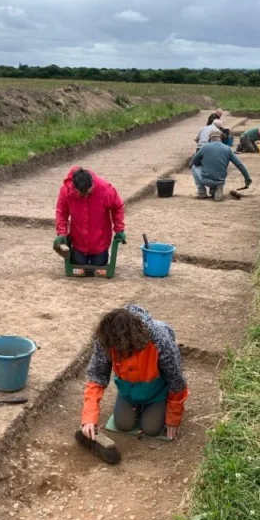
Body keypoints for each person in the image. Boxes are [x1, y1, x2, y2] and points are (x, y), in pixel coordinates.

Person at [78, 305, 188, 462]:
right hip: (128, 390)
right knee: (123, 424)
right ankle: (134, 403)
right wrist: (89, 417)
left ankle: (156, 405)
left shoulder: (160, 339)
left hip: (156, 391)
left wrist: (173, 417)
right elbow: (97, 377)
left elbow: (176, 381)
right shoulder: (106, 338)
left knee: (152, 429)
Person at [54, 167, 126, 266]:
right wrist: (62, 233)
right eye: (82, 194)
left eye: (88, 192)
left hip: (100, 240)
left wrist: (119, 229)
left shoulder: (105, 189)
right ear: (75, 187)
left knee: (99, 264)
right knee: (79, 264)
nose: (85, 196)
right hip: (78, 240)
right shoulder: (66, 191)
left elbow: (117, 207)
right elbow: (61, 212)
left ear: (92, 183)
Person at [191, 130, 252, 200]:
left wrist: (202, 163)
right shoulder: (228, 149)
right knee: (217, 172)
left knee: (194, 167)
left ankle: (202, 192)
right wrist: (247, 178)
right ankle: (216, 190)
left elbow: (194, 161)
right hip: (221, 181)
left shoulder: (205, 147)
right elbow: (240, 165)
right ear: (221, 139)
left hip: (206, 180)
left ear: (210, 139)